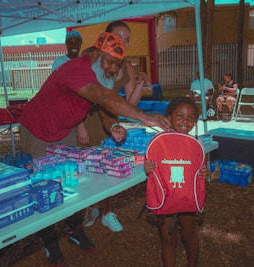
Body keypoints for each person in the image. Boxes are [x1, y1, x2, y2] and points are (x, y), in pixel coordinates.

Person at [19, 32, 171, 266]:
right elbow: (100, 95)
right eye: (110, 63)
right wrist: (144, 117)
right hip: (38, 129)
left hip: (63, 130)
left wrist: (114, 126)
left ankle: (74, 229)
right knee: (43, 184)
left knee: (70, 181)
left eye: (117, 66)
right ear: (95, 54)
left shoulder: (98, 77)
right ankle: (50, 242)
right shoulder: (76, 69)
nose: (112, 70)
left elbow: (102, 107)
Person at [81, 20, 152, 232]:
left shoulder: (127, 65)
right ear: (106, 37)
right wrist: (79, 127)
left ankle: (106, 212)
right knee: (86, 168)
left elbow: (129, 105)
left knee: (108, 168)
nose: (123, 42)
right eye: (118, 37)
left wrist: (140, 82)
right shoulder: (91, 59)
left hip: (110, 121)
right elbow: (75, 97)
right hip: (85, 119)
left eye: (127, 39)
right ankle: (90, 207)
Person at [144, 96, 210, 267]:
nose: (185, 121)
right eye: (179, 116)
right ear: (169, 117)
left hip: (186, 198)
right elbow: (151, 166)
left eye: (190, 118)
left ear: (195, 122)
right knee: (167, 239)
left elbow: (202, 170)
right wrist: (148, 168)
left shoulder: (197, 143)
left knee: (189, 235)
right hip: (165, 197)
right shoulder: (159, 142)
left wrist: (204, 172)